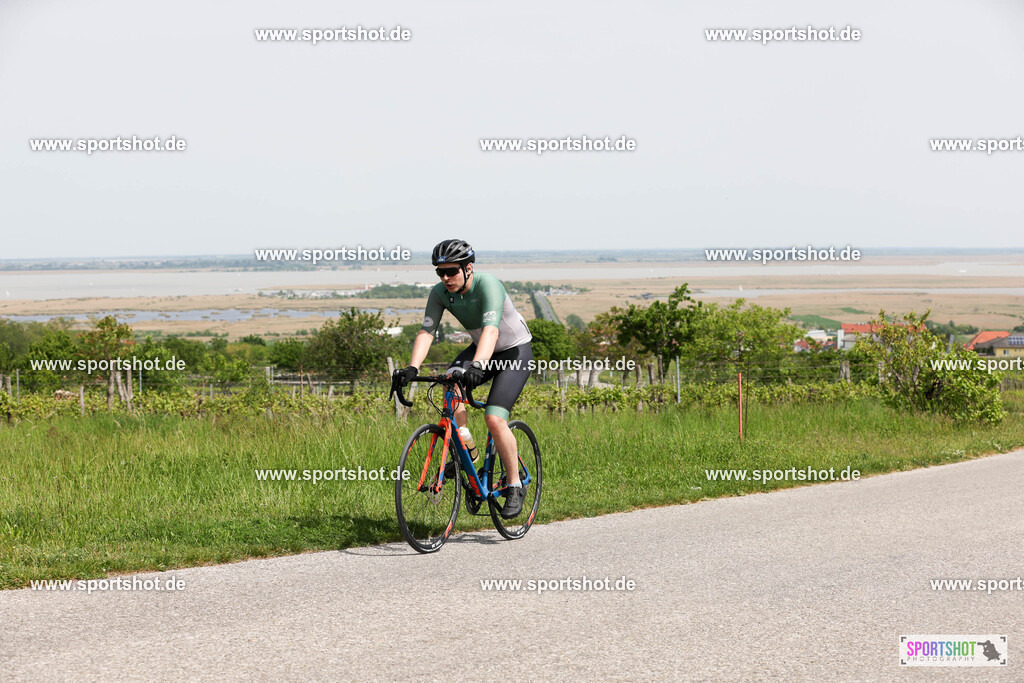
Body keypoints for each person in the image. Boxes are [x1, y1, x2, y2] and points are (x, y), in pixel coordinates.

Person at [392, 239, 533, 518]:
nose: (446, 278)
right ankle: (467, 451)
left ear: (468, 268)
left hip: (513, 352)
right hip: (481, 347)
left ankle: (515, 485)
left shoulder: (488, 285)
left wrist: (479, 365)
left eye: (451, 271)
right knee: (449, 386)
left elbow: (492, 331)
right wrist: (412, 368)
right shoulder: (439, 293)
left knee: (494, 418)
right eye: (440, 273)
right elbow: (426, 331)